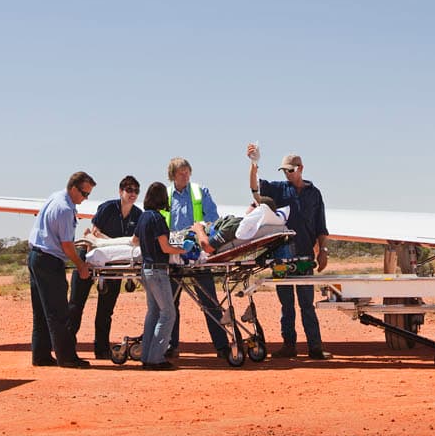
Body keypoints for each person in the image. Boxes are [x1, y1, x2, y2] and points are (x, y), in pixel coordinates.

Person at [248, 147, 331, 360]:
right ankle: (288, 345)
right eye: (284, 171)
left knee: (306, 304)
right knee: (286, 305)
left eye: (290, 170)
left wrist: (323, 251)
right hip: (281, 257)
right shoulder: (279, 189)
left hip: (305, 257)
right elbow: (255, 191)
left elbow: (321, 226)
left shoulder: (314, 194)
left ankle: (315, 347)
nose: (287, 174)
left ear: (301, 168)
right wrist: (254, 164)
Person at [69, 174, 143, 359]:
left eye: (136, 191)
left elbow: (136, 241)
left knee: (106, 309)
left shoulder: (138, 214)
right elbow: (94, 233)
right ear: (120, 191)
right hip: (89, 258)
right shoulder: (108, 208)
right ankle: (66, 347)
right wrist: (117, 243)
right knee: (76, 305)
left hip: (115, 264)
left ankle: (101, 349)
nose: (132, 194)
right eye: (129, 190)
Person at [27, 171, 96, 368]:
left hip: (36, 256)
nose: (85, 198)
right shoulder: (65, 209)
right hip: (49, 261)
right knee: (59, 312)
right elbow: (67, 245)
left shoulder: (55, 197)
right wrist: (81, 265)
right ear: (73, 188)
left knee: (42, 311)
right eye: (84, 193)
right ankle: (67, 358)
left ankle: (41, 355)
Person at [165, 157, 232, 360]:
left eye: (187, 172)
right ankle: (170, 345)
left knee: (209, 301)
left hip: (197, 254)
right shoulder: (165, 195)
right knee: (170, 304)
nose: (185, 176)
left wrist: (199, 232)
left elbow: (213, 219)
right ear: (172, 175)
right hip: (173, 255)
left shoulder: (200, 192)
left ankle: (222, 346)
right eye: (181, 173)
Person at [135, 181, 181, 369]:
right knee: (168, 314)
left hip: (146, 269)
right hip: (158, 270)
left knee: (153, 313)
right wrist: (184, 250)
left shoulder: (143, 217)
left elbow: (135, 240)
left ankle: (147, 356)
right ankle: (155, 358)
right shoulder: (157, 219)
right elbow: (165, 247)